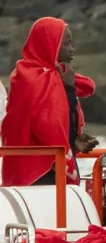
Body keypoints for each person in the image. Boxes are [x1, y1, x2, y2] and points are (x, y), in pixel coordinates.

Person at [1, 17, 99, 186]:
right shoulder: (32, 79)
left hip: (52, 165)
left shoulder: (55, 76)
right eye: (66, 44)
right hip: (37, 172)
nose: (72, 50)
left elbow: (57, 121)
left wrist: (72, 139)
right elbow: (46, 126)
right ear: (49, 44)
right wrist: (69, 89)